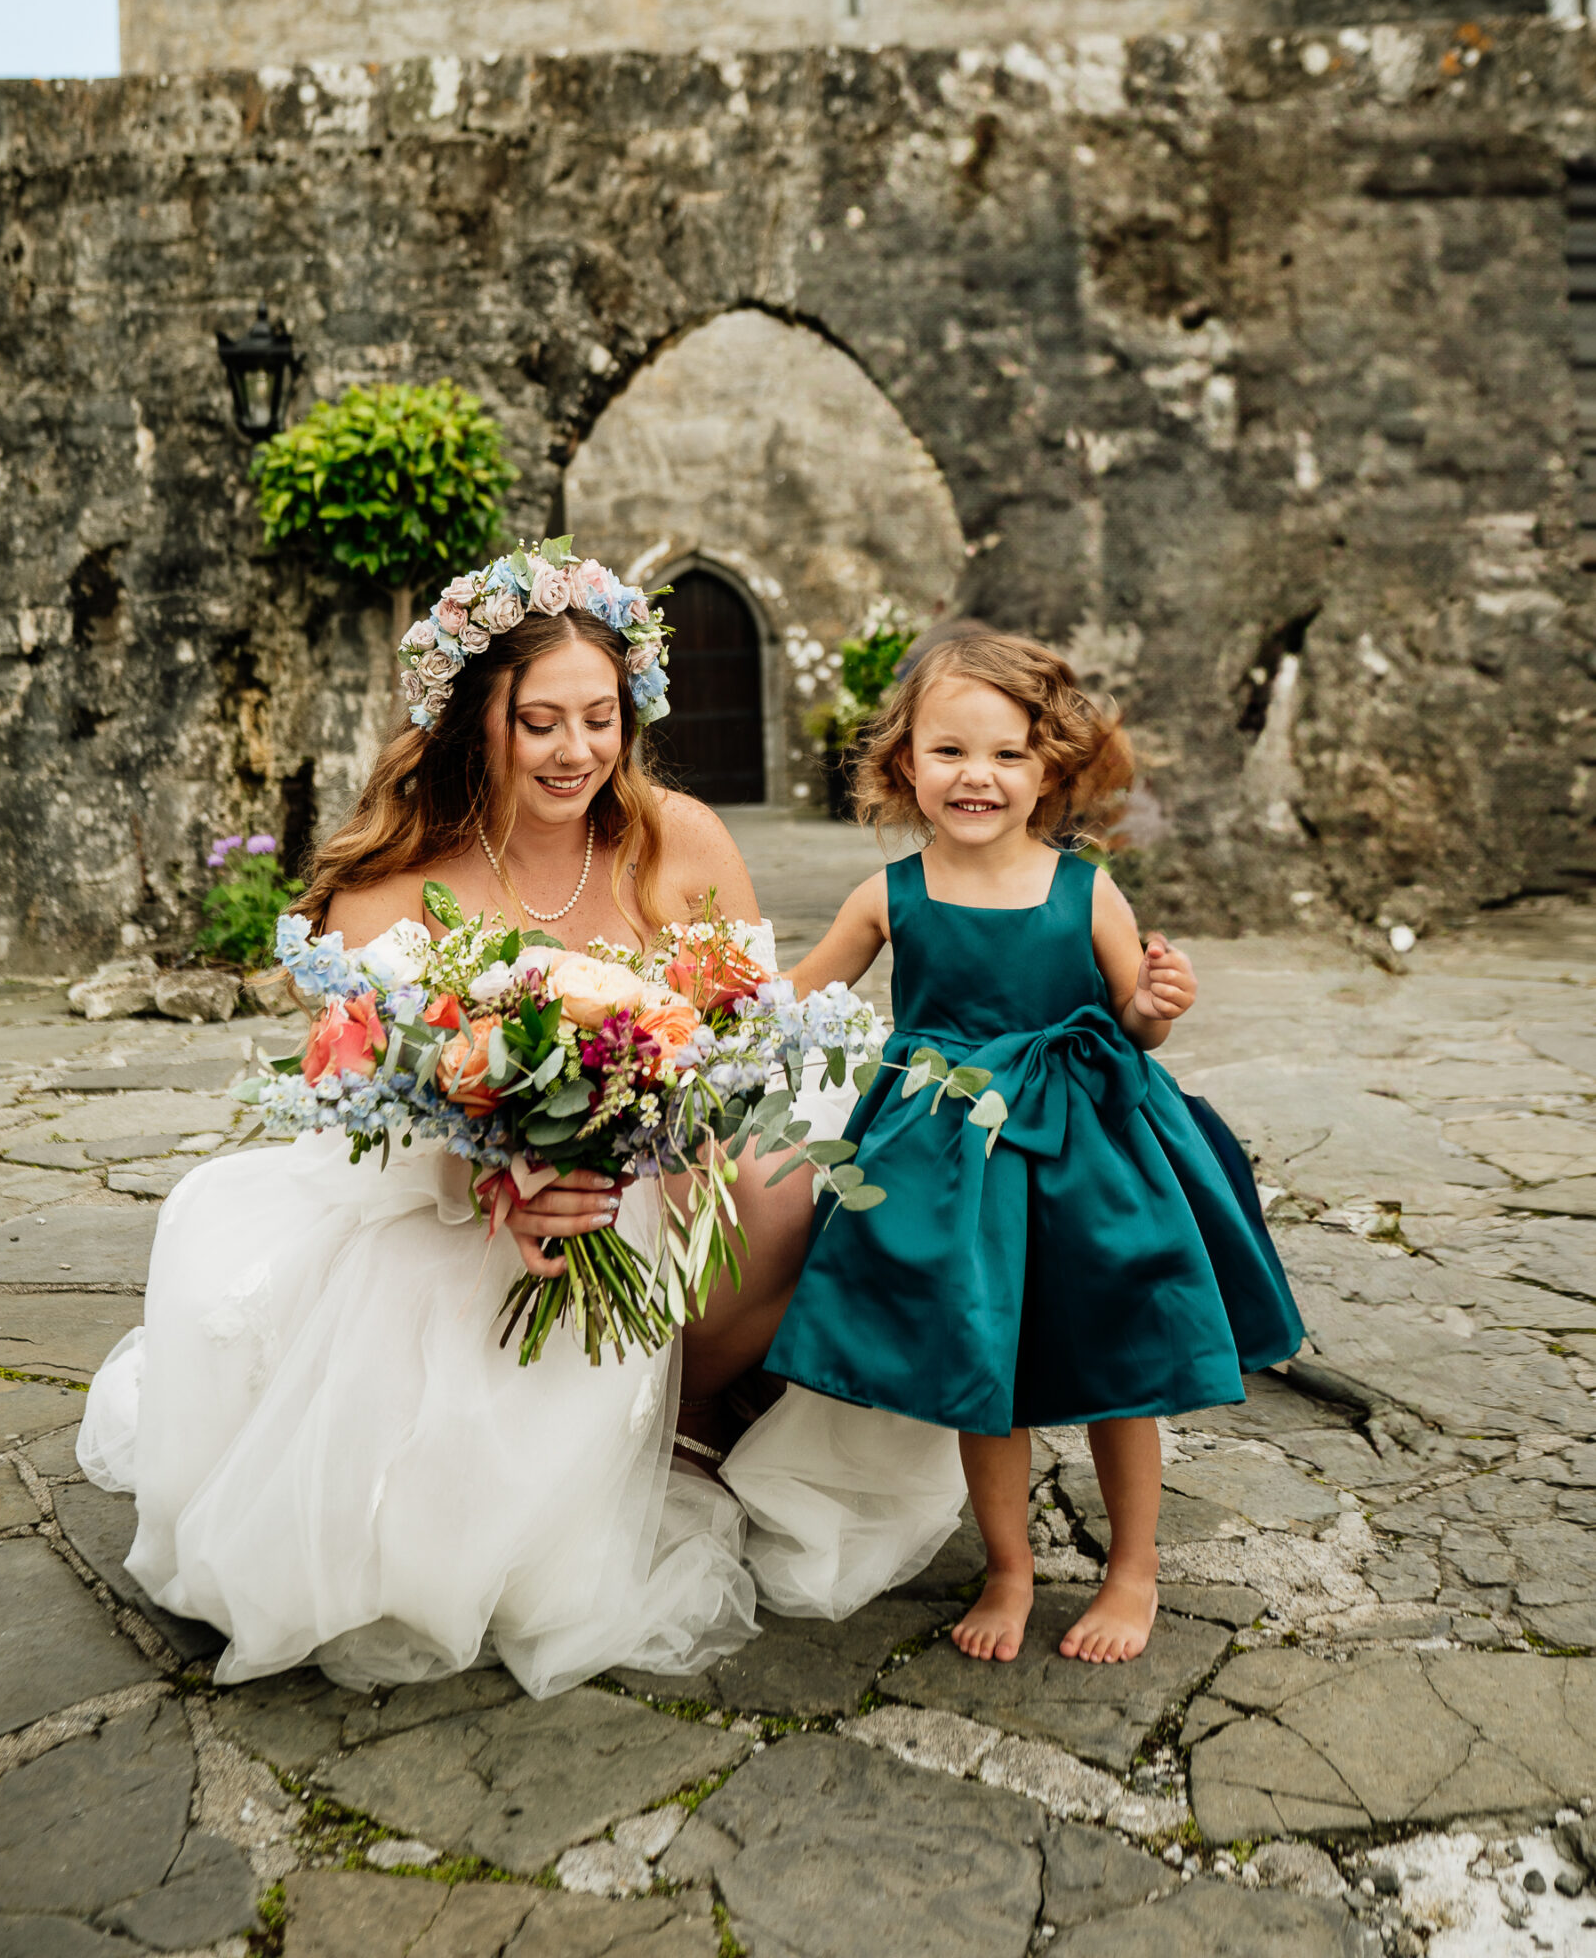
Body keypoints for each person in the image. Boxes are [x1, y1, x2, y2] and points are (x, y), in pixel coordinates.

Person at [76, 545, 956, 1697]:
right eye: (539, 720)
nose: (577, 750)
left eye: (600, 717)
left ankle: (686, 1412)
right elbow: (352, 1112)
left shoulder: (680, 841)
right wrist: (492, 1185)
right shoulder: (392, 885)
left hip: (669, 1167)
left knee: (808, 1173)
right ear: (470, 721)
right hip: (456, 1201)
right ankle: (593, 1436)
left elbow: (747, 1037)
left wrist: (676, 1125)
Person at [763, 630, 1304, 1667]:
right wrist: (687, 1009)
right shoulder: (890, 894)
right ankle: (1009, 1566)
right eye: (950, 751)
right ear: (903, 763)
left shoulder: (1083, 888)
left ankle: (1132, 1567)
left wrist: (1153, 1005)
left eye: (1008, 753)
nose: (978, 776)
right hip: (951, 1155)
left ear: (1049, 765)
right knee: (986, 1364)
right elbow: (794, 997)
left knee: (1119, 1362)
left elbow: (1131, 1021)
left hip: (1086, 1153)